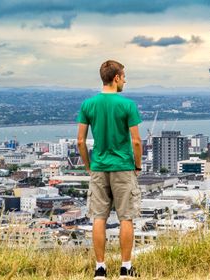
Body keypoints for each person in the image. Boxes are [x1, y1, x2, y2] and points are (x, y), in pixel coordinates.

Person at [77, 60, 142, 279]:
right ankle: (125, 268)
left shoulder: (88, 104)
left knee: (99, 217)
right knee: (126, 217)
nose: (125, 80)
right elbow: (136, 141)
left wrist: (89, 166)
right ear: (116, 78)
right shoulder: (127, 105)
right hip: (123, 167)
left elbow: (80, 141)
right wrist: (138, 165)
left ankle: (100, 269)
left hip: (99, 167)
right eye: (123, 76)